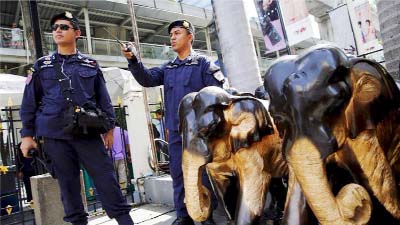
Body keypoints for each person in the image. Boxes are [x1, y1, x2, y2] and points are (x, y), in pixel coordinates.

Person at [19, 11, 133, 225]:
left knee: (106, 178)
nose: (58, 31)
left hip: (87, 132)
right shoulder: (41, 66)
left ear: (77, 33)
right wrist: (27, 136)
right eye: (55, 28)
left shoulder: (90, 64)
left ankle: (124, 220)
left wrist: (109, 128)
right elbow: (29, 103)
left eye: (64, 27)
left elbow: (103, 99)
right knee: (68, 185)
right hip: (55, 134)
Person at [122, 19, 225, 225]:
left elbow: (218, 94)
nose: (173, 37)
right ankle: (183, 216)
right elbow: (147, 79)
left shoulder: (203, 64)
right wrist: (133, 60)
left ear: (190, 36)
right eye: (171, 35)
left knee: (202, 174)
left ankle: (206, 216)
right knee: (178, 175)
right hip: (176, 132)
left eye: (177, 33)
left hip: (200, 133)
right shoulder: (168, 67)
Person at [108, 124, 130, 194]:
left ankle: (113, 191)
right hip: (122, 156)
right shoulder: (124, 132)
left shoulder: (107, 132)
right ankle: (123, 190)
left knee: (112, 175)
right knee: (122, 174)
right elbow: (128, 146)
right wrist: (126, 153)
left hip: (111, 157)